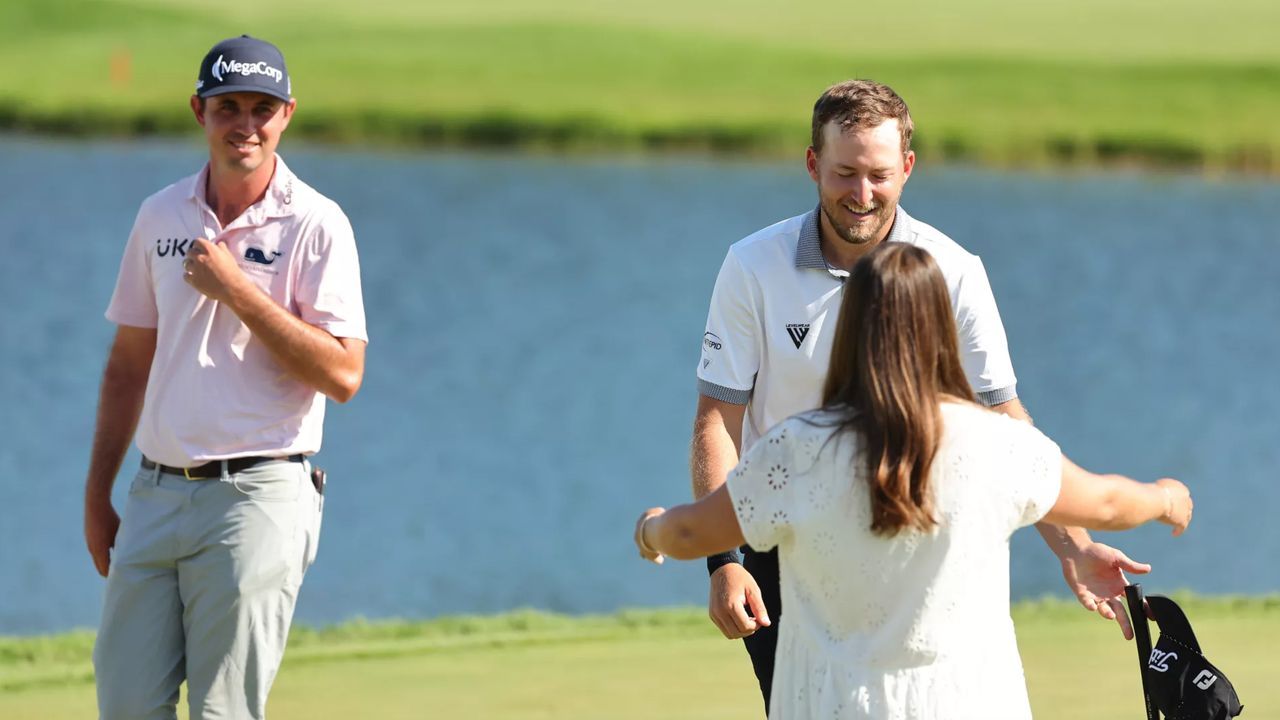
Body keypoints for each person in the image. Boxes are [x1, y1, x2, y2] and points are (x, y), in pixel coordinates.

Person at [691, 79, 1151, 711]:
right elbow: (718, 419)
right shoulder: (752, 266)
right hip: (788, 547)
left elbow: (1004, 422)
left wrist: (1074, 548)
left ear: (907, 167)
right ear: (811, 164)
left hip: (919, 542)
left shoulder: (954, 270)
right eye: (844, 173)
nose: (861, 195)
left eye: (878, 175)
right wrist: (725, 560)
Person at [641, 242, 1194, 719]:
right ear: (942, 333)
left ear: (851, 333)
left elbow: (692, 533)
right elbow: (1108, 502)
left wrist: (652, 531)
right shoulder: (1001, 445)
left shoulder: (800, 449)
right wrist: (1167, 498)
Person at [82, 35, 367, 719]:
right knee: (125, 706)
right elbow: (127, 367)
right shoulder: (160, 215)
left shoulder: (317, 223)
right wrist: (99, 493)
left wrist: (237, 291)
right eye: (228, 107)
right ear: (199, 112)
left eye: (262, 109)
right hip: (153, 493)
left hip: (259, 496)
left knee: (223, 713)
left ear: (287, 115)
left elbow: (344, 373)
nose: (245, 125)